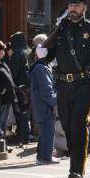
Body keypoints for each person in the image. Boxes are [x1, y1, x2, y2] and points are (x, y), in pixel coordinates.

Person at [37, 0, 90, 178]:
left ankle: (76, 170)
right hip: (62, 84)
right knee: (66, 125)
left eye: (77, 5)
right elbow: (52, 55)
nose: (73, 8)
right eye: (70, 5)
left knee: (78, 124)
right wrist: (42, 54)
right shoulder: (61, 30)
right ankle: (76, 157)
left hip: (83, 83)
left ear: (84, 7)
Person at [29, 34, 58, 164]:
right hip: (44, 104)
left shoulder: (41, 66)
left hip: (42, 104)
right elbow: (47, 90)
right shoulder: (41, 68)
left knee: (45, 131)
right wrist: (55, 101)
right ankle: (46, 157)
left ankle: (42, 156)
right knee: (48, 130)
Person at [0, 40, 16, 141]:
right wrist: (1, 89)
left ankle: (3, 140)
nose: (4, 52)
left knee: (4, 122)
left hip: (8, 98)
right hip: (0, 98)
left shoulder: (2, 62)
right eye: (2, 50)